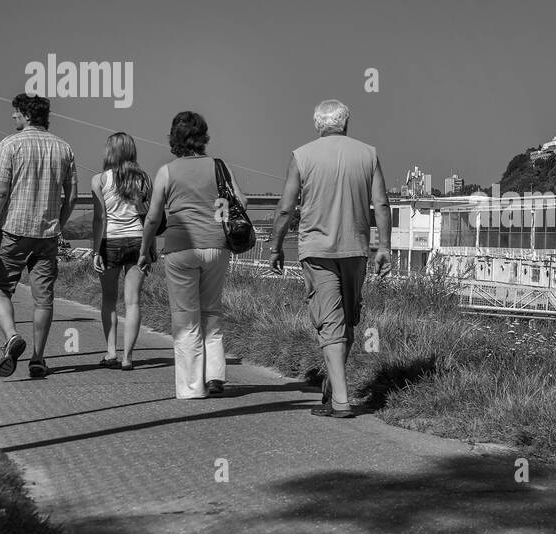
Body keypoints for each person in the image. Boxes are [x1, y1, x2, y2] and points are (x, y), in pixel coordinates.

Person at [270, 99, 391, 419]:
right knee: (347, 321)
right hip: (356, 248)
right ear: (346, 124)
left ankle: (340, 400)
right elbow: (381, 204)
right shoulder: (368, 154)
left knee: (331, 323)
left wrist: (276, 246)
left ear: (317, 125)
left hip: (318, 251)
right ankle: (332, 385)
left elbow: (285, 208)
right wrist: (385, 248)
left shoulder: (302, 156)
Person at [138, 111, 244, 399]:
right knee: (212, 311)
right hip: (216, 247)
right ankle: (215, 376)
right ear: (203, 136)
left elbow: (152, 218)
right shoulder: (219, 167)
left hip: (181, 249)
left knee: (185, 317)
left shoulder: (167, 171)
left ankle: (191, 387)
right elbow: (240, 200)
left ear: (174, 138)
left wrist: (146, 249)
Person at [0, 94, 77, 378]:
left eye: (16, 113)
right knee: (43, 298)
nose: (13, 117)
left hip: (12, 231)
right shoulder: (64, 148)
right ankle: (37, 358)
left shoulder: (10, 144)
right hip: (47, 235)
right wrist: (59, 223)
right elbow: (69, 197)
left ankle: (11, 337)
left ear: (26, 115)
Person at [91, 133, 152, 371]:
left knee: (108, 299)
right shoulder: (144, 179)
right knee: (133, 302)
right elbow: (148, 217)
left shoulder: (99, 180)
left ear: (110, 152)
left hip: (110, 242)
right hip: (138, 241)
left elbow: (100, 218)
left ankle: (110, 353)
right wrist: (150, 248)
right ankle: (128, 357)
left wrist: (95, 251)